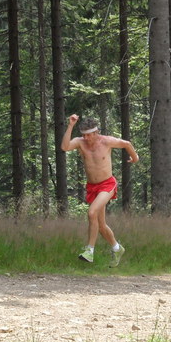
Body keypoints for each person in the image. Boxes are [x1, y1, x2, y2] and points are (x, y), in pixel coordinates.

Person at [60, 114, 139, 267]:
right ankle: (117, 248)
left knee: (91, 213)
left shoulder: (106, 141)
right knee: (101, 225)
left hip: (107, 184)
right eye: (83, 135)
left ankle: (89, 250)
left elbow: (127, 143)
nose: (86, 138)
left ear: (96, 133)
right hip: (92, 187)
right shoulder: (80, 143)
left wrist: (134, 158)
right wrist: (70, 125)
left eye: (89, 135)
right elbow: (64, 147)